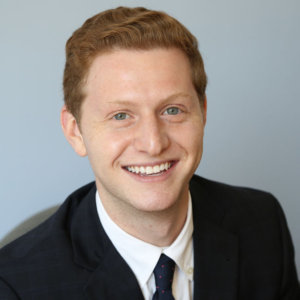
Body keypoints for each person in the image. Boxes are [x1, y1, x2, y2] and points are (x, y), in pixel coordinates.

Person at [0, 6, 299, 300]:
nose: (153, 143)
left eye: (172, 110)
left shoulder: (262, 224)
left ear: (203, 113)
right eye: (121, 116)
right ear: (75, 131)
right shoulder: (16, 284)